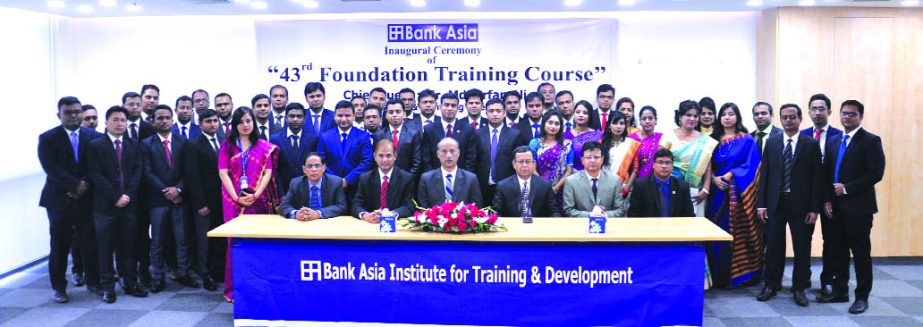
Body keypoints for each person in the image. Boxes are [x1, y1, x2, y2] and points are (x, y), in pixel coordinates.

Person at [818, 100, 885, 314]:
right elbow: (827, 173)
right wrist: (827, 199)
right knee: (838, 251)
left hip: (859, 208)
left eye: (852, 114)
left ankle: (862, 297)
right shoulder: (835, 140)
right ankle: (840, 291)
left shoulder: (870, 141)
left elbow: (876, 173)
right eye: (844, 114)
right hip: (834, 208)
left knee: (860, 253)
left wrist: (847, 188)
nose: (847, 117)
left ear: (860, 117)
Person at [755, 103, 824, 306]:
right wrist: (761, 204)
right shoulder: (773, 142)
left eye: (792, 117)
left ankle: (799, 287)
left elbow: (816, 179)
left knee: (802, 248)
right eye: (784, 117)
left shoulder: (810, 144)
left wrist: (814, 208)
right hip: (775, 204)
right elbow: (765, 175)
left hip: (801, 205)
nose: (788, 121)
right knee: (774, 246)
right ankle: (771, 284)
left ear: (800, 119)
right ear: (780, 119)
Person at [38, 96, 103, 303]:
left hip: (87, 199)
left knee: (90, 243)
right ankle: (59, 287)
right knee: (60, 245)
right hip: (59, 200)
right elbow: (51, 168)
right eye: (68, 112)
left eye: (77, 111)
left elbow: (98, 166)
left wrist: (84, 183)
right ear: (59, 115)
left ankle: (93, 282)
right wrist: (74, 186)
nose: (74, 115)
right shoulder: (48, 138)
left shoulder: (94, 136)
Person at [217, 107, 280, 302]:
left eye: (249, 121)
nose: (246, 125)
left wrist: (255, 195)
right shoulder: (228, 146)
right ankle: (233, 290)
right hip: (232, 202)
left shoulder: (264, 146)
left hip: (258, 202)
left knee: (258, 242)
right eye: (241, 122)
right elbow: (223, 172)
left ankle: (258, 285)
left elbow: (268, 173)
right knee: (235, 243)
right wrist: (237, 197)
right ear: (235, 125)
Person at [87, 106, 147, 303]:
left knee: (129, 247)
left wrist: (127, 195)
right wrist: (115, 196)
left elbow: (138, 171)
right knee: (105, 248)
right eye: (115, 120)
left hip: (129, 205)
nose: (120, 123)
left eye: (123, 120)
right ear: (106, 122)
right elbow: (96, 174)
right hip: (105, 207)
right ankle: (108, 287)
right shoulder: (96, 145)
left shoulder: (133, 144)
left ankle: (130, 283)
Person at [706, 102, 763, 288]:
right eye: (724, 114)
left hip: (737, 194)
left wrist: (732, 174)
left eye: (731, 114)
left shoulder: (746, 140)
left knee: (736, 232)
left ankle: (739, 276)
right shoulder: (711, 140)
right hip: (716, 192)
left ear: (737, 117)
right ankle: (718, 276)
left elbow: (752, 165)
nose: (727, 117)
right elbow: (706, 165)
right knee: (715, 231)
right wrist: (714, 178)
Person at [141, 105, 197, 292]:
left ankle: (183, 273)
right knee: (157, 242)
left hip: (179, 199)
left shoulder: (183, 142)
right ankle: (158, 277)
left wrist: (178, 189)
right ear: (153, 121)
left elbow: (188, 171)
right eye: (160, 118)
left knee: (182, 239)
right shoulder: (146, 144)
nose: (164, 121)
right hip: (157, 200)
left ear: (172, 120)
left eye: (167, 117)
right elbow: (147, 171)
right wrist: (167, 191)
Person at [799, 93, 843, 297]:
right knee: (803, 239)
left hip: (830, 199)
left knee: (831, 240)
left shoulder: (839, 136)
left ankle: (827, 280)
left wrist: (827, 198)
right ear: (808, 112)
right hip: (805, 197)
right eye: (814, 109)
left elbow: (836, 171)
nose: (818, 113)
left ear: (829, 112)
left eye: (822, 109)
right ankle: (803, 278)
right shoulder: (801, 136)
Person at [182, 109, 223, 291]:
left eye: (215, 120)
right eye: (208, 121)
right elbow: (192, 177)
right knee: (203, 240)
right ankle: (205, 273)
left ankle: (217, 270)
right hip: (204, 202)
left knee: (219, 239)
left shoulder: (223, 140)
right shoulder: (193, 144)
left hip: (222, 200)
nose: (213, 124)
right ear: (200, 124)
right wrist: (200, 204)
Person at [661, 100, 717, 216]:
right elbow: (659, 161)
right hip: (670, 187)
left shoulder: (704, 140)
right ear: (680, 117)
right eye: (688, 115)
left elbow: (707, 166)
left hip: (695, 191)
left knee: (694, 227)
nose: (692, 119)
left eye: (696, 116)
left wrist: (705, 189)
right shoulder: (669, 135)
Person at [317, 100, 373, 199]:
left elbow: (367, 161)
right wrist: (337, 181)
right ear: (334, 116)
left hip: (356, 187)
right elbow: (321, 162)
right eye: (340, 115)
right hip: (331, 187)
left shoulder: (363, 136)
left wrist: (348, 180)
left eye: (347, 115)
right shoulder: (325, 136)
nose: (343, 119)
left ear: (354, 116)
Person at [474, 98, 525, 205]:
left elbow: (518, 162)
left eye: (498, 111)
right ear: (486, 113)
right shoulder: (477, 134)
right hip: (482, 185)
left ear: (504, 113)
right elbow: (474, 160)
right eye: (491, 111)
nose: (495, 114)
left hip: (507, 185)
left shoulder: (515, 134)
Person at [352, 139, 415, 222]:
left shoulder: (406, 178)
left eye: (388, 156)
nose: (385, 160)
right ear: (375, 157)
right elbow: (356, 205)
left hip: (396, 225)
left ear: (395, 156)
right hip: (371, 224)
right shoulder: (365, 178)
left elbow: (409, 207)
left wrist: (389, 214)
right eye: (381, 156)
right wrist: (365, 215)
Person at [493, 146, 560, 217]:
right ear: (514, 164)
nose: (524, 165)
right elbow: (496, 212)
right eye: (521, 162)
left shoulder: (545, 185)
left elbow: (553, 211)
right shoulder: (503, 186)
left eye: (528, 161)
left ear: (534, 164)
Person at [278, 153, 348, 221]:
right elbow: (284, 206)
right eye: (309, 166)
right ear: (304, 169)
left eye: (317, 166)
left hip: (327, 222)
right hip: (304, 223)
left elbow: (341, 206)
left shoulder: (335, 182)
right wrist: (296, 213)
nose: (313, 169)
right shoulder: (296, 183)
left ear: (323, 168)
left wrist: (318, 213)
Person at [563, 141, 625, 217]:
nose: (592, 161)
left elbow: (620, 210)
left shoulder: (614, 180)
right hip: (581, 225)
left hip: (607, 224)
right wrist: (591, 215)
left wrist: (603, 215)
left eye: (596, 157)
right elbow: (568, 210)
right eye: (589, 157)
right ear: (582, 160)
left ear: (602, 159)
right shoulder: (571, 181)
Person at [417, 138, 483, 208]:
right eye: (444, 151)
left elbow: (476, 207)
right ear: (438, 154)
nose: (448, 155)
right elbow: (423, 209)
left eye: (452, 151)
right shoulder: (426, 179)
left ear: (458, 153)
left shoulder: (471, 179)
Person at [628, 148, 694, 217]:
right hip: (649, 226)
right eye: (660, 162)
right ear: (653, 165)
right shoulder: (640, 185)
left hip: (675, 226)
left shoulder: (682, 187)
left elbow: (689, 215)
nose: (664, 166)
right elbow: (633, 214)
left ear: (672, 166)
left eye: (668, 163)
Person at [270, 103, 319, 196]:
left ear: (304, 118)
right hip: (284, 190)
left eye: (299, 116)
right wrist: (281, 194)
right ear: (286, 118)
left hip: (308, 190)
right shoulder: (275, 139)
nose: (295, 119)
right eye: (292, 116)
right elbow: (274, 170)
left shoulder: (313, 139)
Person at [421, 92, 478, 172]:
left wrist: (462, 178)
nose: (450, 108)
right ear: (440, 107)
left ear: (458, 108)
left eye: (453, 105)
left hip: (461, 178)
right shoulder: (429, 129)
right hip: (435, 178)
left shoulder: (467, 129)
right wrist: (433, 178)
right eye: (446, 105)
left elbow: (470, 159)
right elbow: (426, 159)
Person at [529, 113, 573, 213]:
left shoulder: (567, 144)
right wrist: (545, 187)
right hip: (539, 188)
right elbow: (532, 168)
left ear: (560, 127)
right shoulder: (534, 143)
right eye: (550, 122)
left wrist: (556, 188)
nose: (553, 126)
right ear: (544, 124)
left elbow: (569, 170)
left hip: (562, 189)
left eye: (557, 124)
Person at [378, 99, 422, 180]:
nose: (394, 115)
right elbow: (376, 161)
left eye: (398, 112)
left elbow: (417, 162)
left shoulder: (413, 134)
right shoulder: (379, 135)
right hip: (384, 179)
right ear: (386, 115)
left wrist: (407, 179)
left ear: (404, 114)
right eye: (391, 112)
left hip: (408, 181)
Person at [601, 111, 640, 198]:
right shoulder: (601, 143)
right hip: (602, 187)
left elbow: (635, 169)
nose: (618, 126)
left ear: (625, 126)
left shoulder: (632, 144)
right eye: (615, 123)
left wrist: (626, 189)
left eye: (621, 123)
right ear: (609, 125)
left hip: (622, 188)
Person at [565, 100, 603, 171]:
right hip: (569, 175)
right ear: (573, 114)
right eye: (578, 112)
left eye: (585, 113)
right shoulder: (565, 136)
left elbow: (599, 158)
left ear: (590, 116)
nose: (581, 115)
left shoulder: (597, 135)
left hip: (591, 173)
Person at [628, 106, 664, 179]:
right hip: (635, 181)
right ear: (640, 121)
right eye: (644, 119)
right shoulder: (632, 138)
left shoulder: (661, 138)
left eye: (650, 118)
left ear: (656, 120)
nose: (647, 121)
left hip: (655, 181)